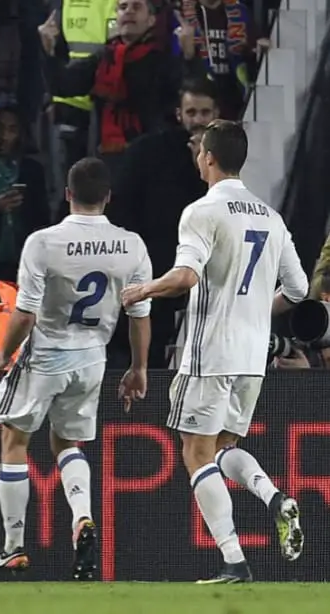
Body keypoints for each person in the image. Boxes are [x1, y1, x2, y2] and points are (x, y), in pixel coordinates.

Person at [121, 120, 308, 583]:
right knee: (225, 446)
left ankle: (232, 560)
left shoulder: (202, 211)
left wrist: (142, 289)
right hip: (252, 357)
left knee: (196, 453)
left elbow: (185, 277)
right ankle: (274, 498)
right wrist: (259, 310)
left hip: (211, 352)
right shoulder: (271, 216)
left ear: (207, 156)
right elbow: (299, 289)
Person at [0, 158, 152, 580]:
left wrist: (3, 354)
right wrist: (138, 369)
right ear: (108, 197)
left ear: (67, 194)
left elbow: (23, 314)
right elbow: (140, 316)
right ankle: (82, 517)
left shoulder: (43, 242)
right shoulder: (131, 244)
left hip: (47, 354)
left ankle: (13, 547)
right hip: (93, 357)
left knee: (14, 439)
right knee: (68, 445)